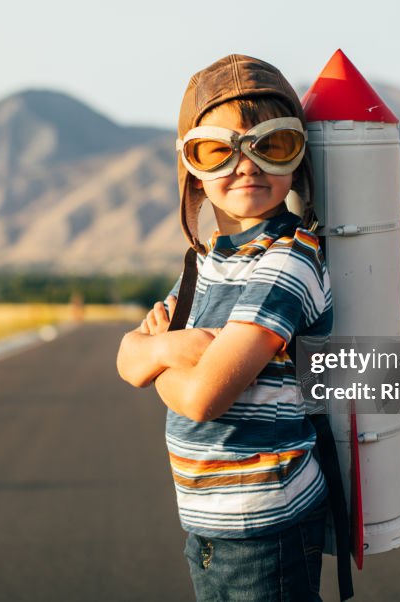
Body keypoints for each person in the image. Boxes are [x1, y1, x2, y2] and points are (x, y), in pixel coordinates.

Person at [116, 54, 334, 601]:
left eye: (272, 144)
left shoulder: (289, 260)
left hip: (266, 526)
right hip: (209, 522)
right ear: (191, 165)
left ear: (298, 155)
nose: (247, 164)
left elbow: (203, 398)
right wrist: (176, 348)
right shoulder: (204, 263)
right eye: (217, 149)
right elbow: (125, 357)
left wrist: (161, 352)